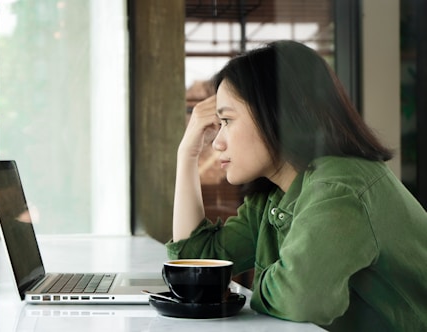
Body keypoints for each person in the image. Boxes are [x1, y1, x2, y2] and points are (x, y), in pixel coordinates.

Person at [166, 40, 427, 331]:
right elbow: (199, 264)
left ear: (276, 112)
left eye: (227, 120)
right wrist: (186, 154)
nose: (217, 142)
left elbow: (303, 298)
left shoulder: (340, 187)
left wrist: (264, 279)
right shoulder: (274, 197)